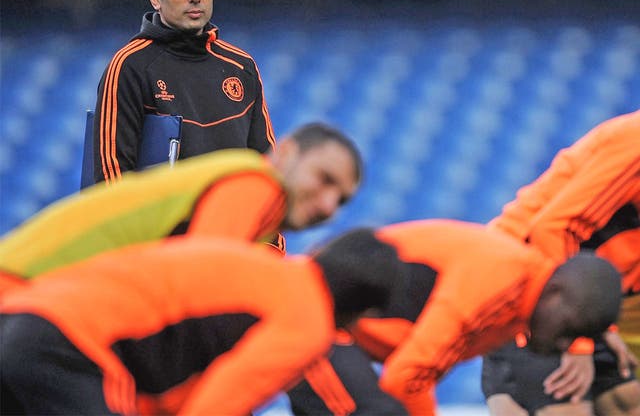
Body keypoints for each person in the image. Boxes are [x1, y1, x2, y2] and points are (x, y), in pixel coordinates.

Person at [0, 229, 405, 415]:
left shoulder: (256, 263)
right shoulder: (307, 322)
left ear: (320, 250)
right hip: (74, 346)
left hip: (21, 314)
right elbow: (217, 405)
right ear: (361, 314)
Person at [286, 219, 622, 416]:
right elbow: (406, 377)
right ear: (557, 294)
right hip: (309, 319)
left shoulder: (522, 301)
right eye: (569, 331)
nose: (563, 346)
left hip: (339, 335)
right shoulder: (500, 282)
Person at [0, 122, 362, 294]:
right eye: (325, 179)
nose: (329, 205)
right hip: (24, 288)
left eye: (342, 200)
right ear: (284, 153)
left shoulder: (245, 190)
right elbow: (201, 287)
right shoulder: (255, 183)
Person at [481, 109, 640, 416]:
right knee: (566, 401)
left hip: (582, 295)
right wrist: (578, 340)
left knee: (626, 402)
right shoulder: (635, 142)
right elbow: (553, 229)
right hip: (525, 286)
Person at [93, 0, 275, 183]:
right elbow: (111, 177)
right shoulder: (129, 66)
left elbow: (266, 163)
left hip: (230, 219)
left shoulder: (241, 65)